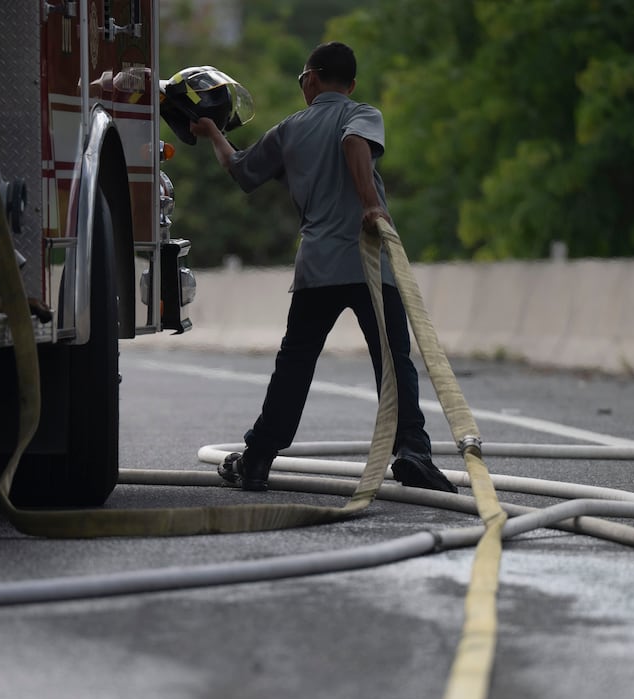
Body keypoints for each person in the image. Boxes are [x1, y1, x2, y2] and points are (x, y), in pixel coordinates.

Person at [189, 41, 457, 494]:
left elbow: (239, 170)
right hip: (371, 263)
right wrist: (371, 206)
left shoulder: (291, 128)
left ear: (311, 79)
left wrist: (215, 134)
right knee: (393, 362)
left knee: (294, 365)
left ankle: (257, 461)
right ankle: (412, 449)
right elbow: (354, 141)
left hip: (317, 266)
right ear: (350, 85)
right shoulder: (362, 114)